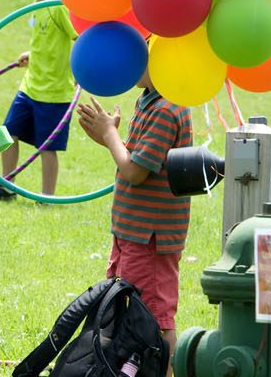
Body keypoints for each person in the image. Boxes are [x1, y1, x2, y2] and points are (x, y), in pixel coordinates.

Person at [76, 69, 194, 366]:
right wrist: (108, 139)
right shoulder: (149, 101)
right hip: (132, 231)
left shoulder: (168, 109)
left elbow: (134, 172)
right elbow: (139, 158)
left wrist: (109, 133)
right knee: (126, 308)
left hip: (150, 238)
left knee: (154, 316)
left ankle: (163, 371)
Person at [0, 0, 77, 199]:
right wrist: (31, 55)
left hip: (54, 92)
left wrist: (83, 72)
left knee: (47, 147)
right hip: (30, 87)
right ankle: (6, 186)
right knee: (7, 134)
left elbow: (80, 39)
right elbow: (46, 40)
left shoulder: (58, 9)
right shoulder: (36, 7)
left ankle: (46, 197)